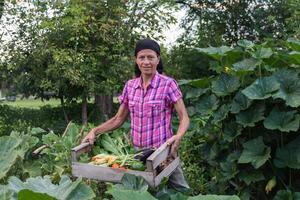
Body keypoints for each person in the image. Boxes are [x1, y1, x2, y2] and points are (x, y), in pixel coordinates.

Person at [82, 38, 190, 190]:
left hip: (162, 152)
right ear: (136, 60)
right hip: (137, 155)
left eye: (150, 57)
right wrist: (94, 131)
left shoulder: (168, 84)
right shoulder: (130, 86)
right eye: (142, 57)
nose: (146, 62)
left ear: (158, 59)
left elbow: (184, 117)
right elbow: (118, 119)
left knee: (181, 189)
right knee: (142, 192)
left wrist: (178, 136)